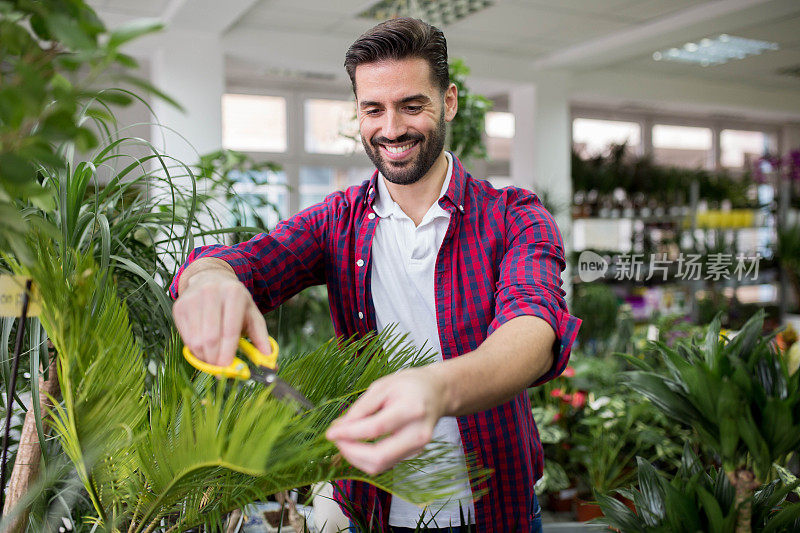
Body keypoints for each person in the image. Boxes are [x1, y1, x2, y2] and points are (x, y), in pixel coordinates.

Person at [170, 17, 580, 533]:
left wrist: (437, 389)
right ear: (358, 113)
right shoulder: (335, 222)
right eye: (373, 109)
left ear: (448, 102)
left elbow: (533, 328)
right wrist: (209, 283)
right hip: (374, 510)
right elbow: (248, 261)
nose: (391, 129)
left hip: (495, 509)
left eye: (412, 106)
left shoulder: (514, 215)